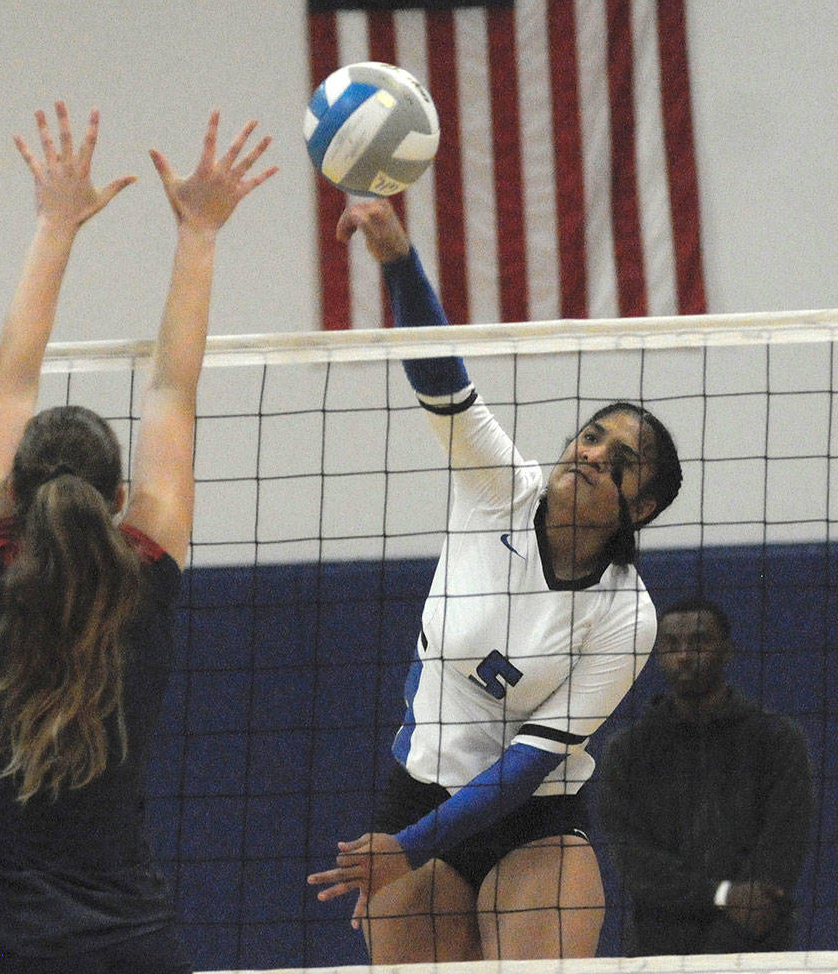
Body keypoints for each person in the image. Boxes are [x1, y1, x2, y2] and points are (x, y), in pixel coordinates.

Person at [0, 103, 274, 974]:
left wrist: (55, 222)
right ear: (121, 497)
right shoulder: (146, 565)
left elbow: (13, 371)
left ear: (10, 493)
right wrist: (198, 232)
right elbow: (174, 390)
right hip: (129, 945)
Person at [306, 198, 683, 962]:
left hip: (531, 818)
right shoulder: (498, 488)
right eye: (591, 433)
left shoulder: (625, 616)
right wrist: (397, 258)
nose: (591, 453)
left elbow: (528, 766)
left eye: (621, 456)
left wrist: (409, 847)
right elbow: (443, 378)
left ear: (639, 505)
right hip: (420, 788)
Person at [598, 596, 815, 955]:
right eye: (670, 645)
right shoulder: (628, 751)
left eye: (698, 642)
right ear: (658, 655)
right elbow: (635, 863)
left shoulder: (777, 740)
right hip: (659, 947)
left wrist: (742, 903)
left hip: (755, 940)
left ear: (727, 651)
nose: (683, 654)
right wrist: (723, 895)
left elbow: (782, 846)